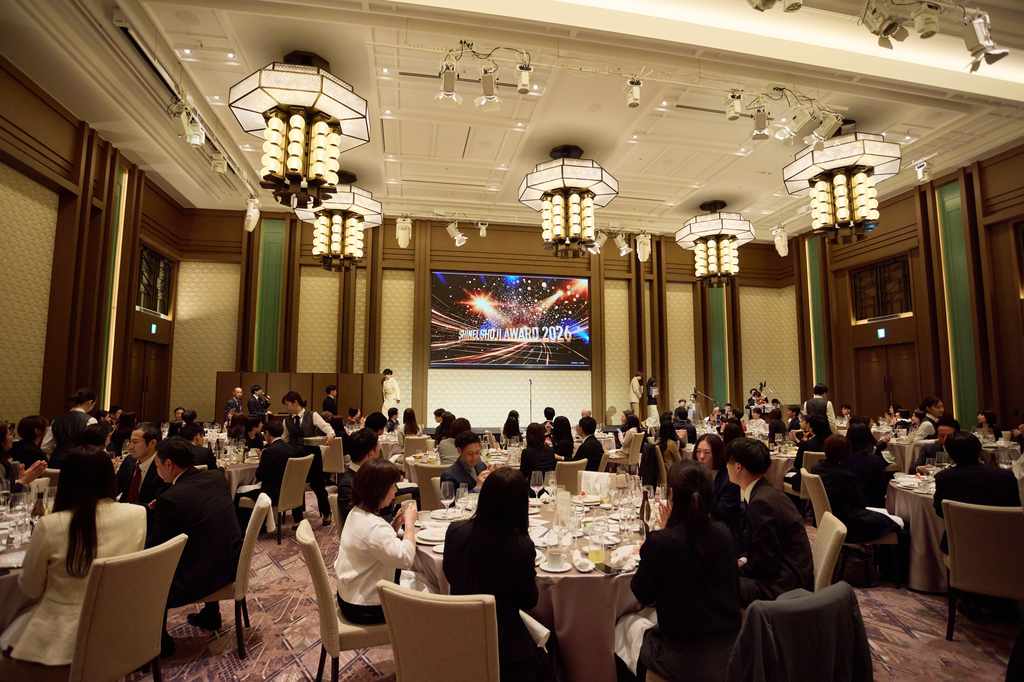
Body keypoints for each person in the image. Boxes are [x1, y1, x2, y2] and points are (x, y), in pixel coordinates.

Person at [0, 447, 146, 666]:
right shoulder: (137, 515)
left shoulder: (51, 526)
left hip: (60, 639)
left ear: (66, 481)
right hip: (119, 625)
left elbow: (30, 589)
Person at [627, 461, 741, 681]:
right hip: (727, 648)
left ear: (671, 496)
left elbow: (642, 594)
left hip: (680, 657)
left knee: (625, 625)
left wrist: (665, 531)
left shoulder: (660, 542)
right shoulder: (724, 533)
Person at [443, 468, 544, 682]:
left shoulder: (455, 530)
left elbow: (449, 574)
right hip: (503, 644)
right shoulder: (520, 546)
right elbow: (529, 600)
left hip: (457, 630)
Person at [147, 438, 242, 651]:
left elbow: (157, 548)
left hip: (203, 577)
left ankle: (159, 641)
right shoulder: (216, 477)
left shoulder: (171, 498)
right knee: (204, 539)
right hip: (232, 563)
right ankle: (211, 613)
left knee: (151, 571)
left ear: (169, 464)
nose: (157, 471)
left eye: (157, 465)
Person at [726, 438, 814, 606]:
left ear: (738, 467)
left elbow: (765, 565)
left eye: (728, 463)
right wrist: (743, 560)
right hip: (789, 571)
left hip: (784, 585)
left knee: (715, 583)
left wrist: (732, 569)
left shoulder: (761, 503)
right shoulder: (766, 491)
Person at [334, 459, 416, 624]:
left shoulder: (356, 512)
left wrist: (394, 526)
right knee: (425, 590)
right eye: (392, 487)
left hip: (348, 595)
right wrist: (409, 524)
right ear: (379, 490)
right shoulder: (374, 527)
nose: (395, 492)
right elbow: (406, 559)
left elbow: (374, 545)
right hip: (365, 608)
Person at [933, 432, 1021, 553]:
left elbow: (940, 510)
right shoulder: (1006, 476)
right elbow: (1016, 508)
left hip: (959, 544)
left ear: (949, 453)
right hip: (1005, 543)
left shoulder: (943, 478)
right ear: (979, 450)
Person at [811, 435, 902, 544]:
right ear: (846, 453)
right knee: (898, 528)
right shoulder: (845, 476)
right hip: (848, 524)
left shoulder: (816, 468)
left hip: (825, 520)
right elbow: (860, 503)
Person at [281, 391, 335, 526]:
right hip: (295, 457)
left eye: (287, 404)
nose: (286, 408)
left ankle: (326, 513)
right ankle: (298, 519)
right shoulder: (286, 421)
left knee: (318, 485)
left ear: (295, 402)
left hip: (312, 455)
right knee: (295, 487)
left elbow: (327, 428)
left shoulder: (312, 415)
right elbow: (285, 438)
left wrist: (330, 435)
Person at [695, 433, 742, 540]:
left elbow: (723, 513)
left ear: (717, 454)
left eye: (707, 453)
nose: (701, 457)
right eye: (698, 452)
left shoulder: (729, 478)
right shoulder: (696, 473)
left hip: (723, 533)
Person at [116, 423, 170, 506]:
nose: (130, 447)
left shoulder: (163, 467)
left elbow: (157, 504)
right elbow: (115, 488)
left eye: (135, 442)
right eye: (130, 442)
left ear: (152, 443)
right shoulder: (129, 460)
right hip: (123, 509)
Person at [336, 428, 381, 526]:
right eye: (378, 445)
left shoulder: (369, 472)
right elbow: (353, 521)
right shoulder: (348, 484)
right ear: (371, 453)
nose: (380, 447)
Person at [250, 421, 300, 509]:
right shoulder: (292, 449)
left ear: (267, 433)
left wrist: (262, 459)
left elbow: (259, 476)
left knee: (237, 493)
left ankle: (254, 518)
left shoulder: (268, 451)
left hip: (270, 494)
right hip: (290, 492)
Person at [44, 388, 97, 467]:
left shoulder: (56, 420)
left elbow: (46, 446)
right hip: (79, 463)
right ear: (90, 402)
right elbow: (92, 448)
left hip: (56, 462)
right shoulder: (91, 420)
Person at [845, 422, 891, 508]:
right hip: (870, 507)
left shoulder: (841, 460)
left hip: (845, 507)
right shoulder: (874, 461)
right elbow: (881, 491)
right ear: (868, 438)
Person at [786, 414, 832, 493]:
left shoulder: (806, 444)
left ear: (812, 428)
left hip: (804, 482)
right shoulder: (834, 443)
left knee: (783, 476)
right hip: (829, 482)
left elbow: (797, 465)